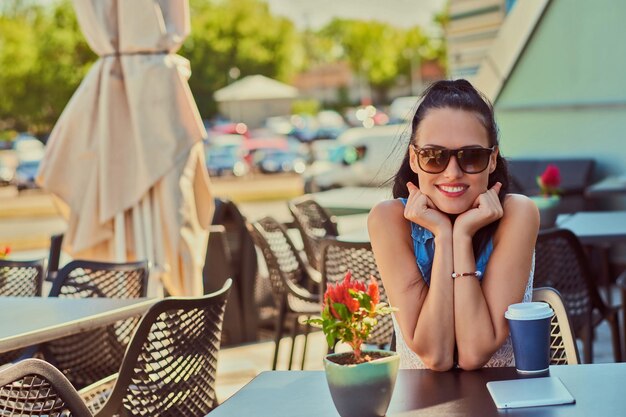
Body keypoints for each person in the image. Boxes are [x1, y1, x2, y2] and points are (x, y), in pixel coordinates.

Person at [368, 79, 539, 371]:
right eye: (434, 157)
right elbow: (435, 355)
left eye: (471, 156)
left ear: (492, 158)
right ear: (413, 157)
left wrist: (460, 236)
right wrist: (444, 236)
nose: (452, 173)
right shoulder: (388, 220)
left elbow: (474, 353)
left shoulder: (518, 214)